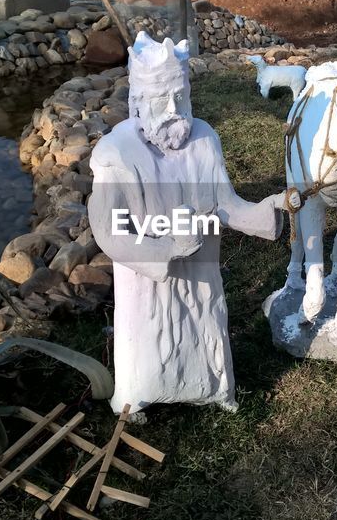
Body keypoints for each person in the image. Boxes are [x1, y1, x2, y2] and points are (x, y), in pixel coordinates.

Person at [88, 32, 287, 414]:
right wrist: (166, 249)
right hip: (148, 284)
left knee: (204, 327)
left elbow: (224, 204)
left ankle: (212, 389)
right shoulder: (116, 155)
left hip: (201, 276)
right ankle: (135, 398)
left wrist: (268, 210)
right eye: (161, 100)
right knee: (149, 345)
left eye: (180, 96)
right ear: (138, 103)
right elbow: (109, 232)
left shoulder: (205, 140)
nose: (174, 108)